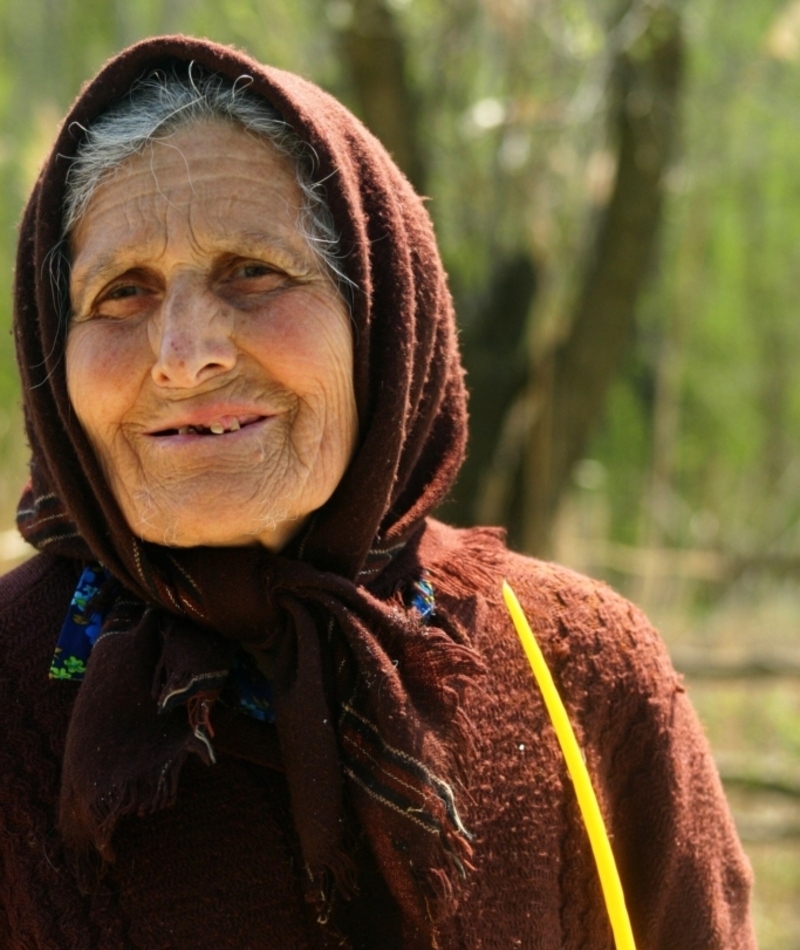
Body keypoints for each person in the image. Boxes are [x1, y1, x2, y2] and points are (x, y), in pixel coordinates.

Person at [0, 35, 756, 950]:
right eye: (122, 291)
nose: (185, 353)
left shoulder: (583, 669)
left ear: (384, 323)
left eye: (253, 271)